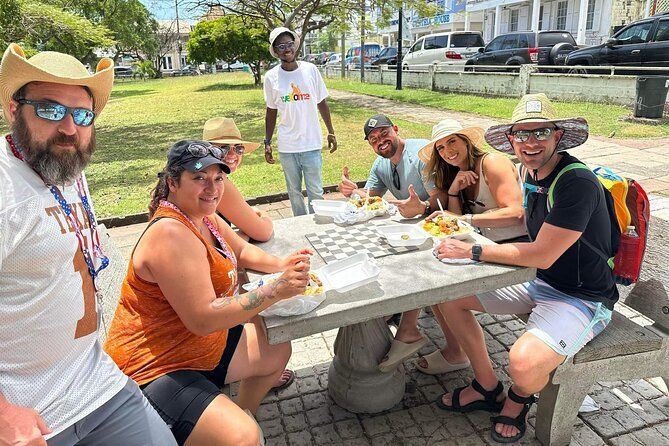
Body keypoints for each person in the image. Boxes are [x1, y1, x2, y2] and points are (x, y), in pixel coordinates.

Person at [0, 44, 175, 445]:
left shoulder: (64, 166)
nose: (69, 128)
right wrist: (4, 415)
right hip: (28, 419)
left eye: (82, 114)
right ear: (14, 109)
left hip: (93, 380)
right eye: (49, 109)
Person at [433, 94, 617, 443]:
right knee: (446, 297)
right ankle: (487, 388)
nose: (530, 142)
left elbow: (542, 254)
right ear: (512, 140)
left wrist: (473, 250)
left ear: (558, 136)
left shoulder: (575, 182)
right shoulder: (531, 172)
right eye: (522, 135)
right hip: (539, 281)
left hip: (582, 296)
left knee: (523, 365)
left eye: (541, 132)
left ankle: (517, 400)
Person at [104, 140, 312, 446]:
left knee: (277, 348)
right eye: (199, 178)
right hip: (155, 368)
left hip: (198, 347)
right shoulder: (171, 233)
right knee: (243, 437)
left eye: (219, 178)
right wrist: (274, 290)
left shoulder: (205, 217)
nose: (212, 187)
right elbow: (202, 318)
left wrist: (281, 264)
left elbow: (241, 249)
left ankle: (242, 411)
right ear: (172, 182)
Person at [338, 114, 469, 375]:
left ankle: (410, 329)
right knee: (379, 248)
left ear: (396, 130)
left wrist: (420, 207)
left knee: (412, 259)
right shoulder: (380, 164)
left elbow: (442, 196)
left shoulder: (420, 153)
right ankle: (398, 316)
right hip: (415, 226)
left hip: (448, 223)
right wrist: (354, 191)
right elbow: (371, 200)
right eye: (373, 139)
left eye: (384, 133)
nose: (380, 141)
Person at [263, 27, 337, 216]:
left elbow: (321, 102)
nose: (287, 49)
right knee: (294, 193)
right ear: (275, 51)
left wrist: (331, 131)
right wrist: (267, 142)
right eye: (281, 46)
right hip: (288, 146)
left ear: (295, 46)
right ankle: (301, 228)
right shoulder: (271, 77)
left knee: (316, 192)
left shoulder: (311, 70)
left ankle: (319, 227)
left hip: (311, 143)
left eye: (289, 44)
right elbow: (271, 111)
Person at [417, 118, 527, 244]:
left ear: (466, 141)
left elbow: (516, 214)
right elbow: (455, 226)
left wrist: (466, 219)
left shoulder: (492, 163)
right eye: (440, 148)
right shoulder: (454, 173)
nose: (447, 151)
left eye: (452, 141)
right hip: (481, 243)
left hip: (516, 243)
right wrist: (453, 191)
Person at [203, 117, 273, 242]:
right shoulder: (215, 183)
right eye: (223, 148)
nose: (232, 154)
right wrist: (264, 215)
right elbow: (263, 232)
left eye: (238, 148)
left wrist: (242, 234)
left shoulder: (200, 173)